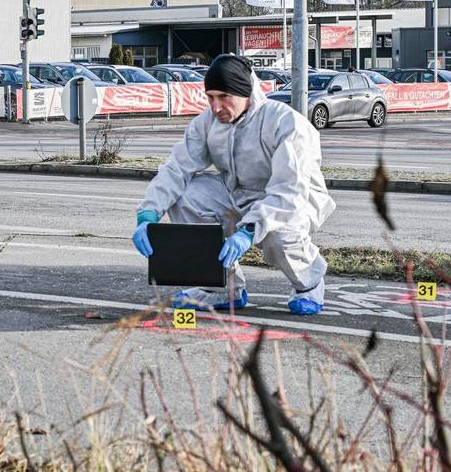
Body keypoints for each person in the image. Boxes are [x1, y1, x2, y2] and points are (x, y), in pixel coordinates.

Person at [131, 54, 336, 315]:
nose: (216, 107)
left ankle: (309, 282)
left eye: (224, 96)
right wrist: (148, 213)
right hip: (238, 194)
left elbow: (289, 189)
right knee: (185, 197)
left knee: (279, 233)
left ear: (245, 92)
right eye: (210, 97)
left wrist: (249, 231)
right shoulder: (208, 123)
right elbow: (176, 168)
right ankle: (222, 287)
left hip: (294, 199)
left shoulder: (286, 123)